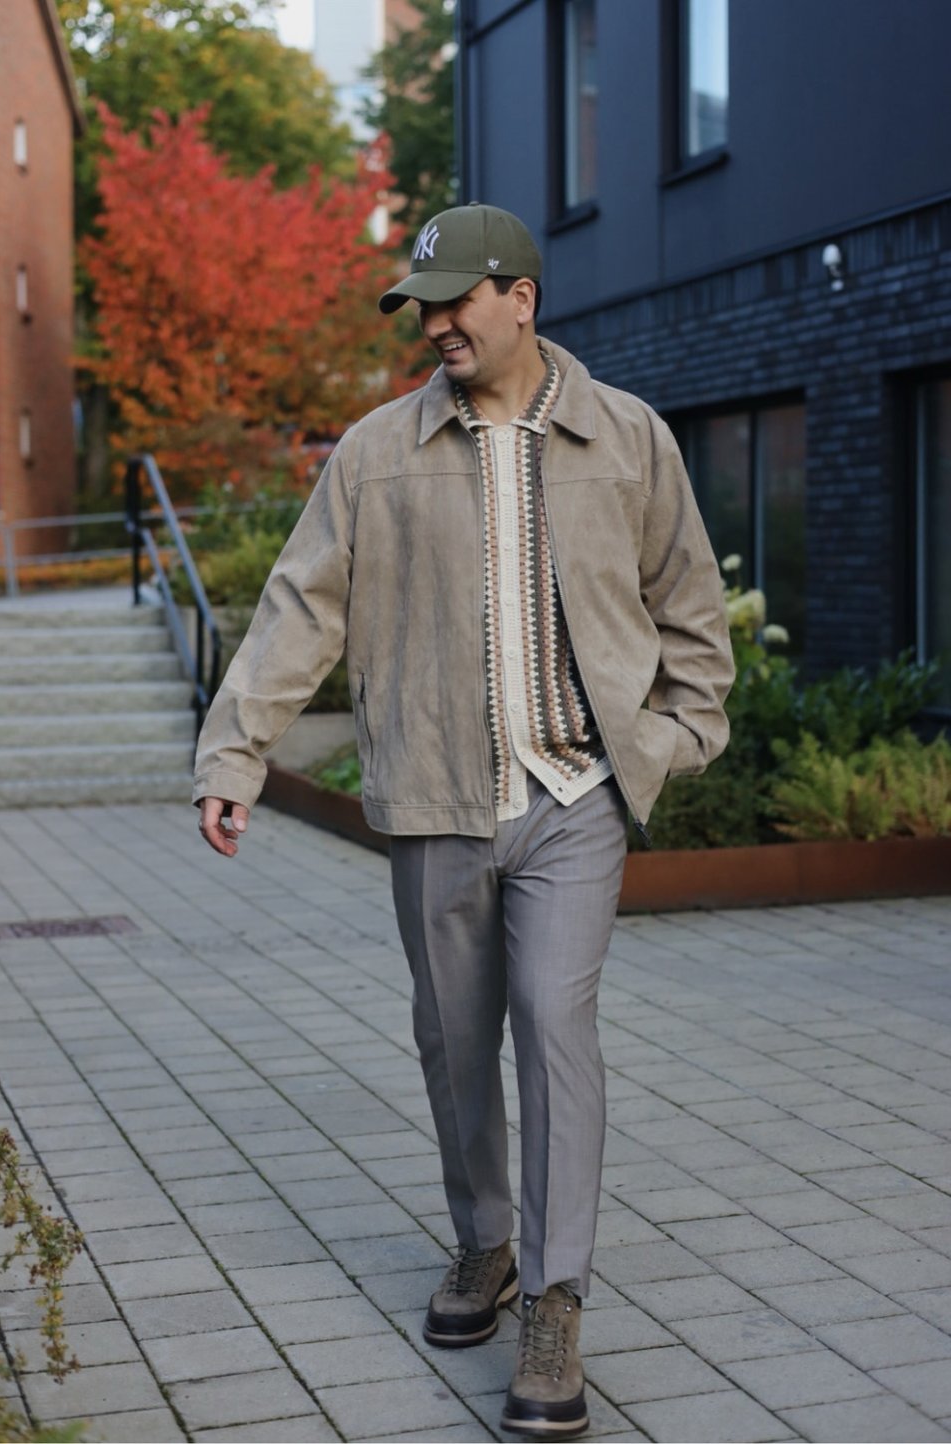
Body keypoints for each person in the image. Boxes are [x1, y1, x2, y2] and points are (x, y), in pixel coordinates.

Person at [194, 203, 734, 1439]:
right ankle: (484, 1241)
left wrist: (671, 739)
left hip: (571, 798)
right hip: (436, 800)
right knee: (452, 1036)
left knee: (551, 1024)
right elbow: (297, 611)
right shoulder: (376, 452)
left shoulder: (627, 438)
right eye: (420, 306)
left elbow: (689, 610)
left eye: (454, 300)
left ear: (521, 298)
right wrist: (235, 753)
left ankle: (553, 1296)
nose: (433, 323)